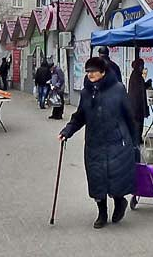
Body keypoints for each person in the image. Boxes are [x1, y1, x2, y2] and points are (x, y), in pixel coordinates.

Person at [58, 57, 137, 229]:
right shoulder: (86, 92)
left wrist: (135, 142)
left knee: (116, 178)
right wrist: (67, 131)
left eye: (94, 71)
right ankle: (102, 213)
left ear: (103, 72)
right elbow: (80, 116)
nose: (90, 74)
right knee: (97, 179)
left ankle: (119, 202)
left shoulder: (118, 89)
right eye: (88, 71)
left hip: (117, 141)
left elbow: (129, 117)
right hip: (95, 142)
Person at [127, 58, 149, 145]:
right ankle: (136, 139)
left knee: (138, 123)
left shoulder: (136, 76)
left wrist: (146, 84)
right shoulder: (136, 76)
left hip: (136, 104)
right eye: (142, 66)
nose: (143, 67)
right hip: (137, 105)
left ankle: (137, 138)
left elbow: (141, 88)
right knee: (138, 123)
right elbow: (138, 91)